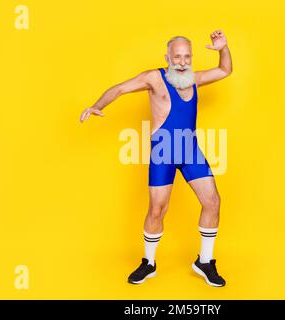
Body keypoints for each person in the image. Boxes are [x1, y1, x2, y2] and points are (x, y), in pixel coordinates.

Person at [80, 30, 232, 287]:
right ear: (168, 57)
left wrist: (223, 49)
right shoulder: (154, 78)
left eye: (187, 57)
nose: (182, 62)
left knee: (213, 201)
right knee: (157, 209)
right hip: (163, 151)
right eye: (177, 57)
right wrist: (97, 105)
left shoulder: (194, 78)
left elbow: (224, 70)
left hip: (190, 149)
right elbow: (120, 89)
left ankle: (205, 261)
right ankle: (148, 263)